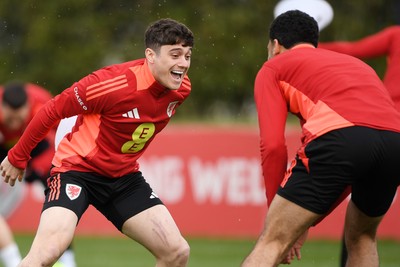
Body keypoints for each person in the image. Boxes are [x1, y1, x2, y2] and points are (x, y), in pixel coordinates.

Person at [0, 18, 194, 267]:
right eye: (175, 54)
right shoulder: (111, 84)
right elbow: (52, 110)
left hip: (123, 178)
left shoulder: (181, 89)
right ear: (150, 55)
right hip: (77, 172)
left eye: (187, 56)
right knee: (45, 254)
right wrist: (18, 156)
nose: (183, 64)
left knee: (177, 252)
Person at [242, 10, 400, 266]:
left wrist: (279, 213)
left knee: (273, 240)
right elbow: (357, 157)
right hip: (395, 142)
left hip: (342, 138)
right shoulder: (357, 65)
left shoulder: (273, 67)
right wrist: (308, 218)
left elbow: (272, 146)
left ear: (275, 45)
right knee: (362, 237)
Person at [319, 25, 400, 267]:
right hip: (389, 131)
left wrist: (307, 47)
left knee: (359, 226)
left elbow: (352, 50)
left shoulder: (397, 34)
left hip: (386, 127)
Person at [0, 82, 77, 267]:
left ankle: (68, 260)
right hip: (4, 149)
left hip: (35, 149)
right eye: (11, 120)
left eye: (20, 119)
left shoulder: (43, 103)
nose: (16, 124)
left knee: (58, 192)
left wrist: (39, 167)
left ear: (28, 107)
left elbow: (66, 133)